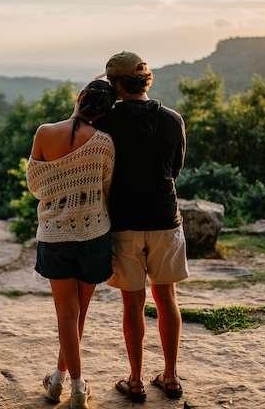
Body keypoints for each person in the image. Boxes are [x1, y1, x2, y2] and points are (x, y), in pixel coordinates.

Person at [96, 51, 188, 403]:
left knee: (132, 305)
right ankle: (171, 376)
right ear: (146, 81)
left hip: (124, 223)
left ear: (116, 84)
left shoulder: (106, 121)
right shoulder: (172, 119)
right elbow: (175, 168)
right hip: (165, 218)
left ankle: (134, 381)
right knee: (167, 299)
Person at [26, 80, 117, 409]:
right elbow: (105, 188)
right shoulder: (105, 143)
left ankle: (66, 384)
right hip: (94, 234)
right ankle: (70, 385)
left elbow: (36, 185)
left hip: (55, 235)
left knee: (66, 315)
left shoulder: (43, 132)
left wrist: (60, 181)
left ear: (80, 98)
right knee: (78, 316)